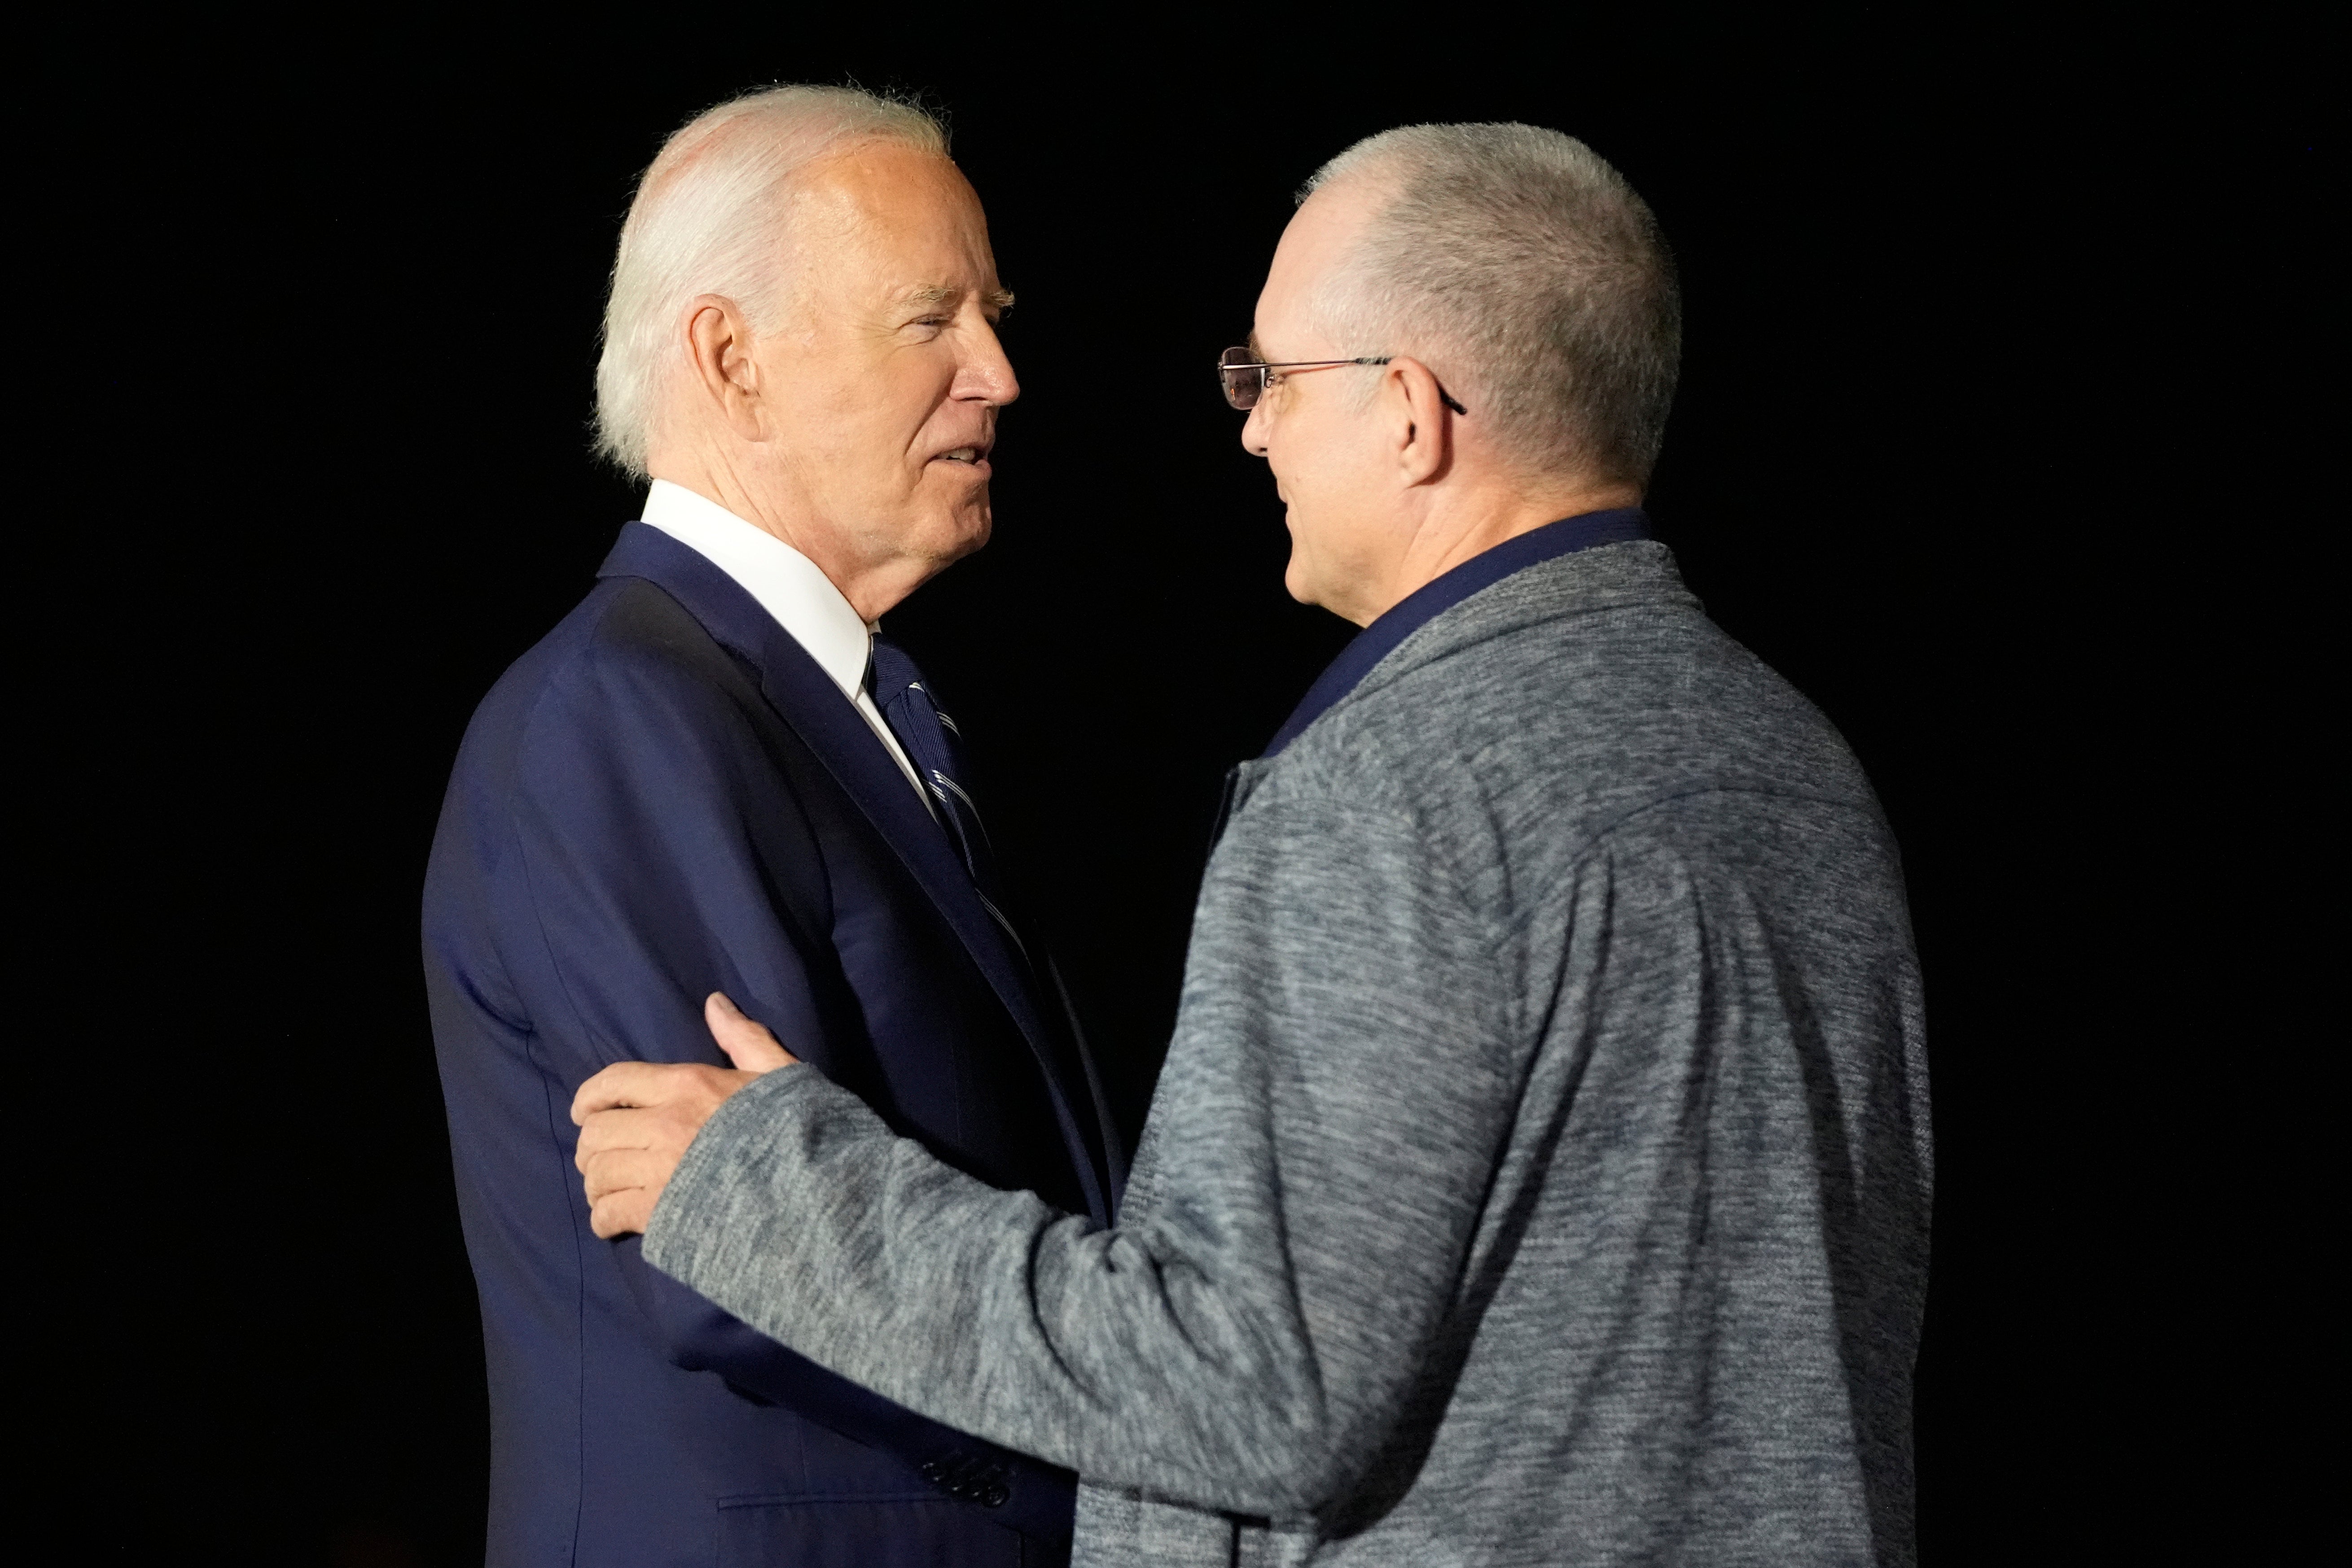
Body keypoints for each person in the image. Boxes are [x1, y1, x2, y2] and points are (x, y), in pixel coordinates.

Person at [576, 122, 1933, 1566]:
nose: (1251, 426)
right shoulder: (1799, 768)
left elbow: (1249, 1389)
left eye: (1271, 378)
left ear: (1411, 412)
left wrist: (772, 1195)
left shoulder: (1399, 786)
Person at [422, 85, 1115, 1567]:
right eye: (930, 319)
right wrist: (1133, 1462)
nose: (998, 370)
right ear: (731, 357)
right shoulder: (624, 715)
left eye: (992, 315)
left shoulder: (842, 706)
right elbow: (731, 1260)